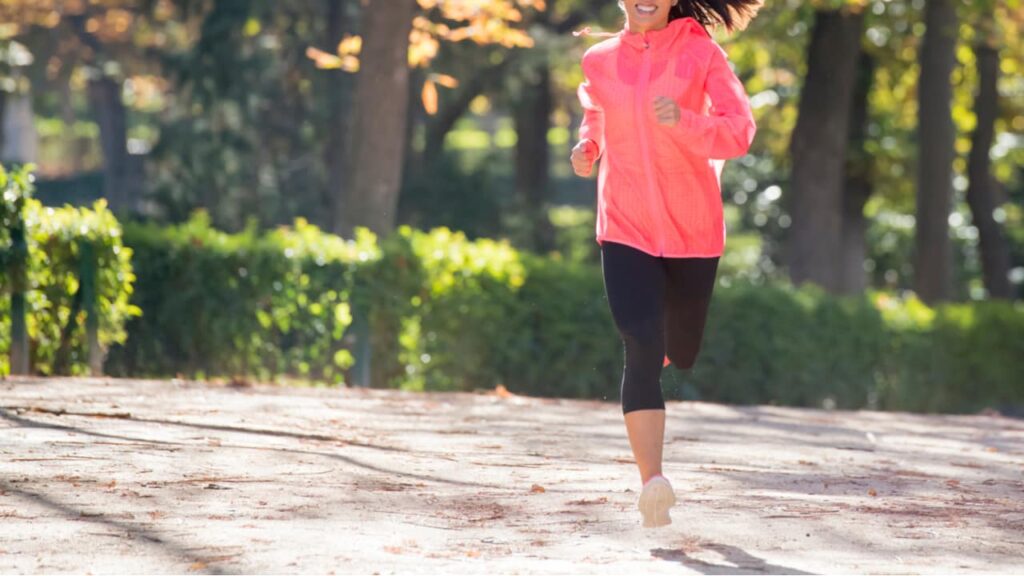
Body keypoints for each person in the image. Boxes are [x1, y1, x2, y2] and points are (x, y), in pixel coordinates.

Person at [571, 0, 761, 528]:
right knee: (640, 342)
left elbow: (739, 130)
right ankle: (652, 482)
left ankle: (664, 354)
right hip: (623, 225)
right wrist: (587, 147)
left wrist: (684, 121)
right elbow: (598, 116)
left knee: (680, 350)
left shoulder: (702, 53)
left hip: (693, 232)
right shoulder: (600, 59)